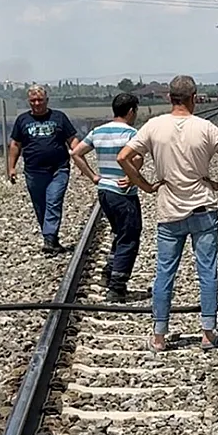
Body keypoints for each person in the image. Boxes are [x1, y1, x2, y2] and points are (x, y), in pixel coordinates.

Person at [116, 75, 218, 351]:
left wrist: (144, 185)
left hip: (169, 210)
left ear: (169, 97)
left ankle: (159, 336)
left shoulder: (154, 126)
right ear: (194, 97)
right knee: (207, 271)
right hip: (202, 207)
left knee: (164, 273)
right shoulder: (206, 128)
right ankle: (208, 333)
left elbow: (123, 157)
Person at [70, 93, 144, 302]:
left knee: (119, 234)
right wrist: (131, 177)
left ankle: (108, 273)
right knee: (129, 236)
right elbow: (137, 157)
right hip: (123, 193)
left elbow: (76, 153)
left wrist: (93, 175)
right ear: (131, 111)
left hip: (104, 191)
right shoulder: (132, 133)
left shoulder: (98, 131)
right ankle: (117, 286)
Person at [6, 84, 80, 254]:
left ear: (47, 100)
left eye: (40, 100)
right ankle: (51, 239)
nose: (37, 103)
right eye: (33, 100)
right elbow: (15, 144)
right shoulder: (22, 120)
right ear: (29, 102)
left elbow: (72, 140)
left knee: (54, 200)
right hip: (33, 171)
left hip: (59, 169)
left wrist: (79, 159)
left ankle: (49, 237)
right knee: (40, 206)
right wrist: (11, 167)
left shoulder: (59, 117)